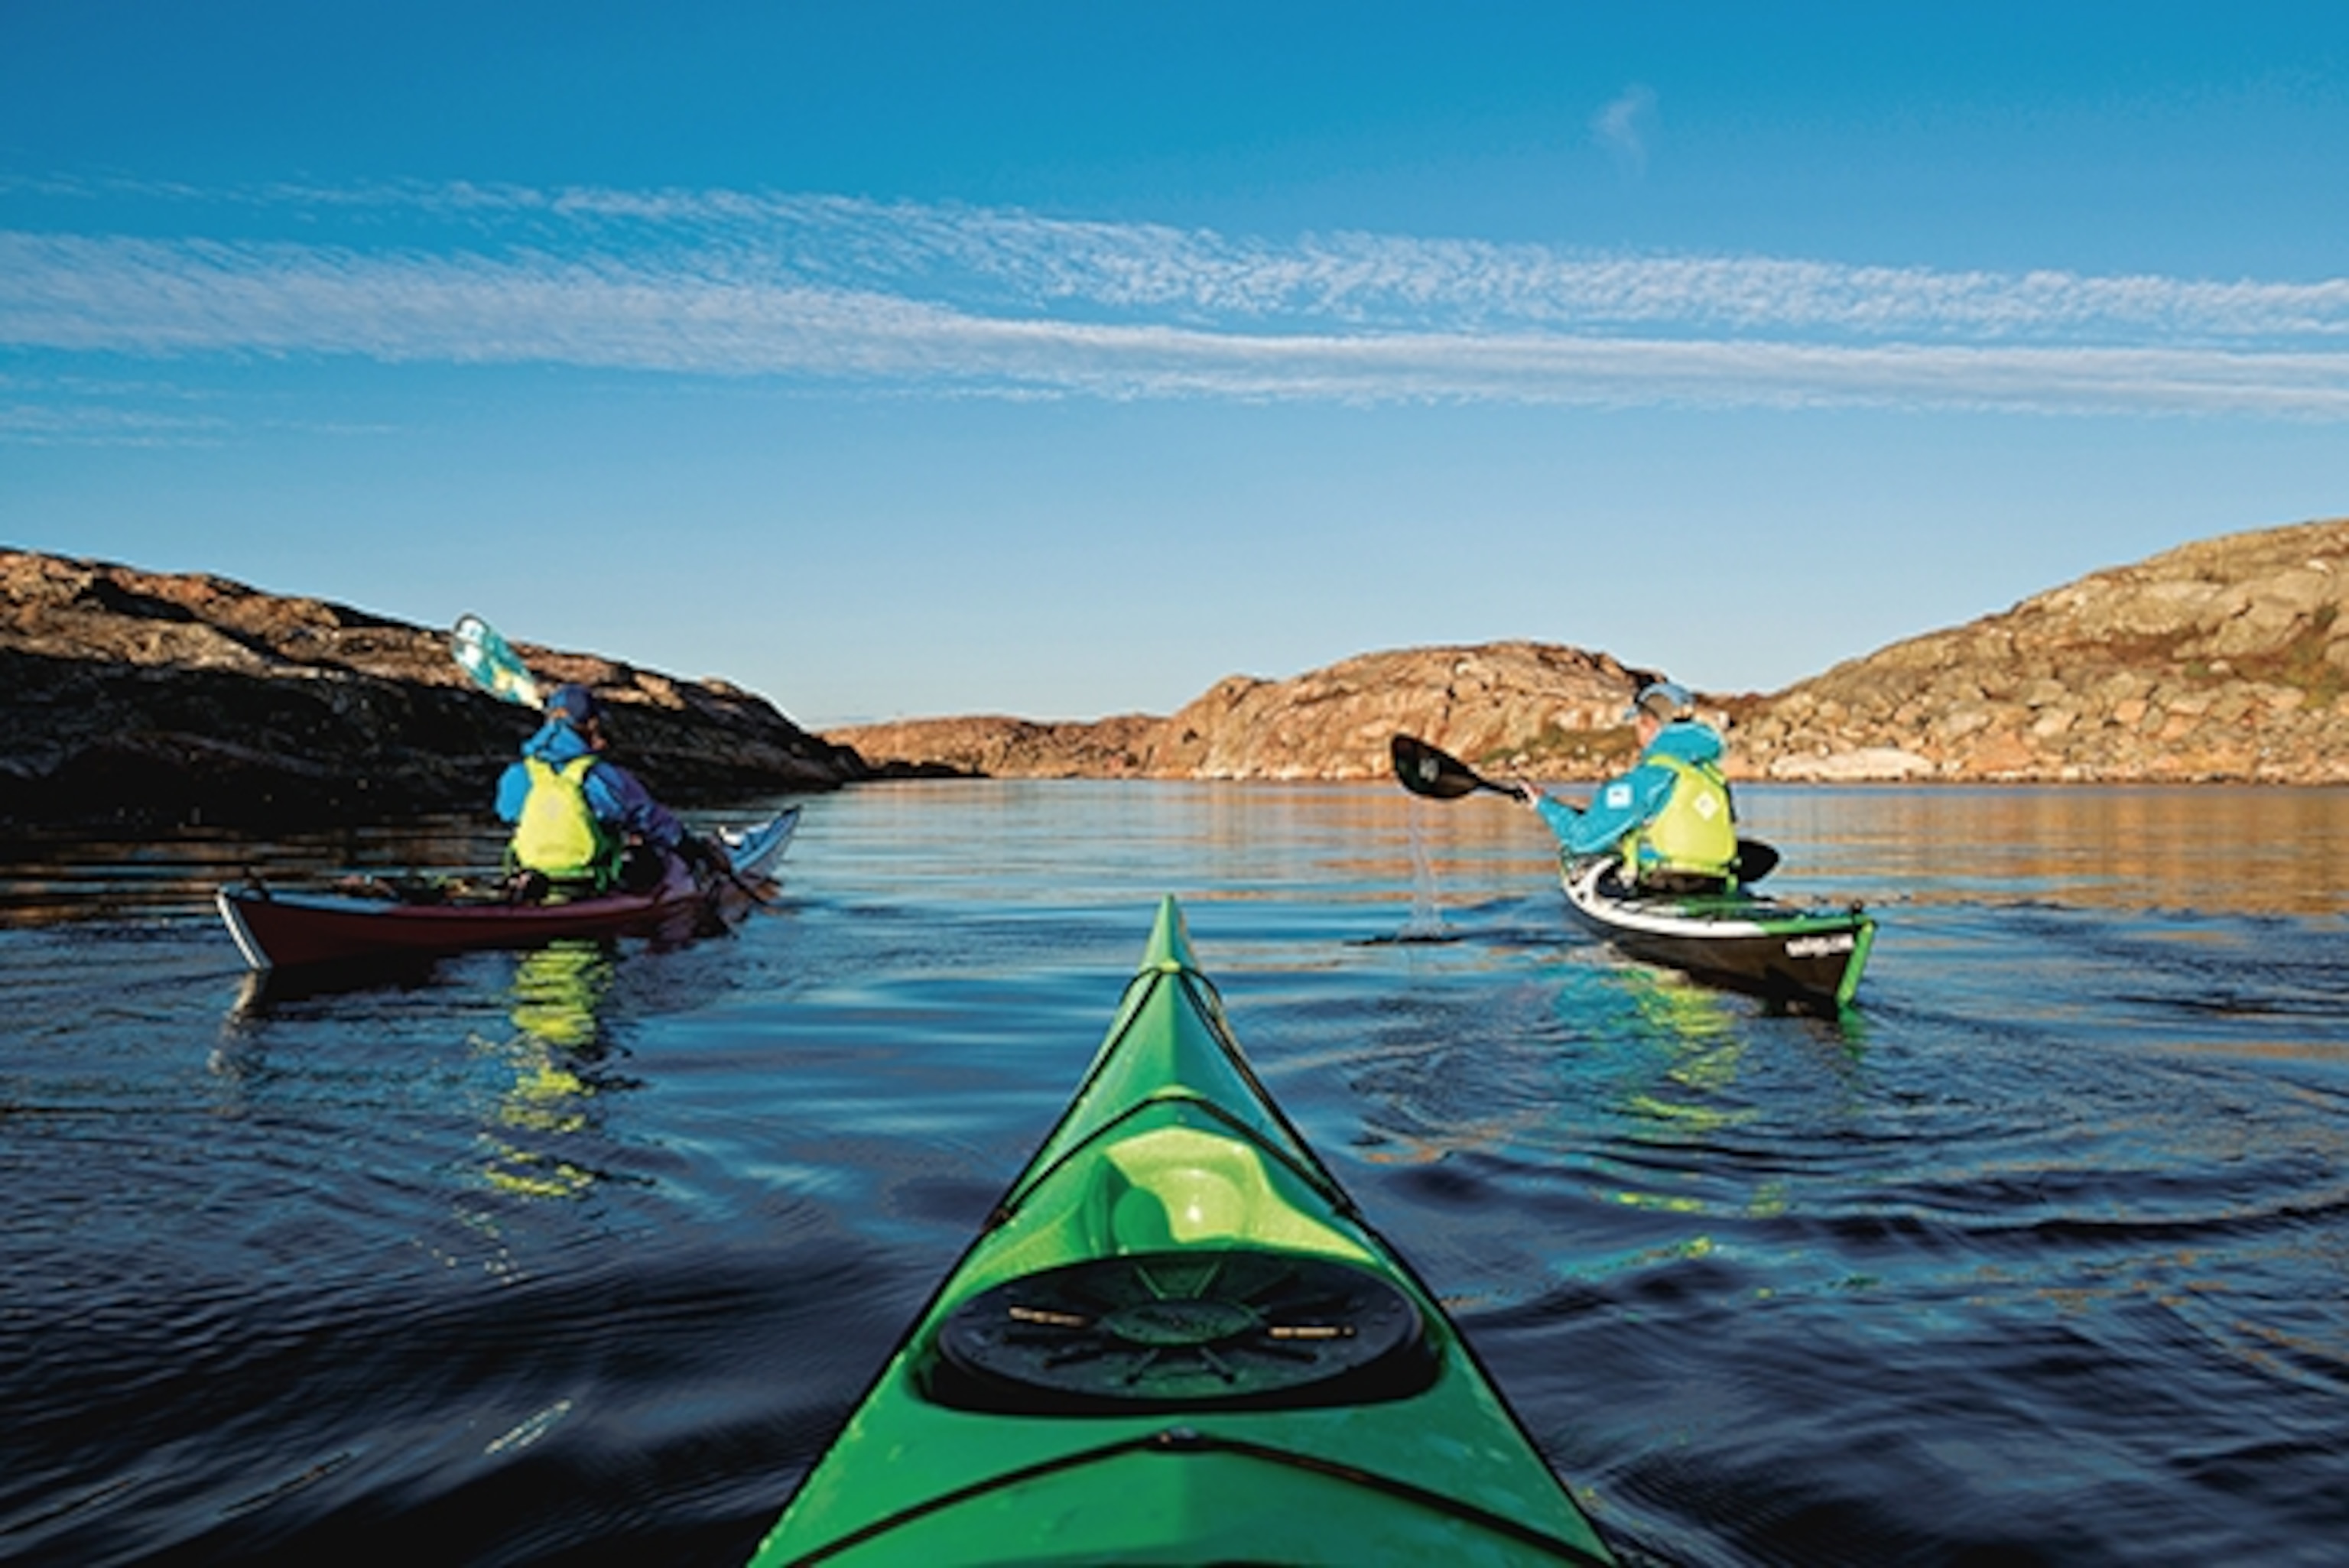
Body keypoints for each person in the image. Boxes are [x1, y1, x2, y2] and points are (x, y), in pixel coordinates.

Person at [495, 683, 721, 897]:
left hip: (535, 876)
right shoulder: (602, 777)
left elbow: (507, 812)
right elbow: (649, 819)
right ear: (592, 723)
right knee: (650, 851)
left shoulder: (518, 774)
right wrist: (689, 847)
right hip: (593, 881)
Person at [1520, 680, 1740, 894]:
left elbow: (1582, 839)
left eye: (1639, 723)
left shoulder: (1644, 781)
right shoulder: (1712, 777)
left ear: (1648, 723)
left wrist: (1544, 805)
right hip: (1715, 882)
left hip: (1661, 885)